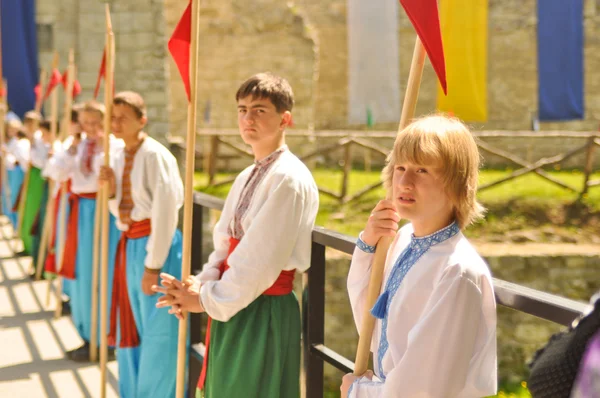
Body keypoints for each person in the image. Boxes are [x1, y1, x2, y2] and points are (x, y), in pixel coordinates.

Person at [153, 72, 319, 398]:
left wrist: (204, 299)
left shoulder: (288, 179)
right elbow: (224, 244)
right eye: (242, 110)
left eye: (259, 110)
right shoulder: (248, 173)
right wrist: (200, 283)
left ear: (285, 119)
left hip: (262, 310)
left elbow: (259, 260)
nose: (248, 118)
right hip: (234, 301)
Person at [342, 115, 497, 397]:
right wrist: (368, 244)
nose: (404, 181)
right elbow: (371, 325)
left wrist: (359, 392)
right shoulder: (401, 239)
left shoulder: (457, 272)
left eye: (422, 170)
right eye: (400, 167)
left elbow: (426, 386)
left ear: (456, 181)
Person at [97, 91, 184, 397]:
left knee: (160, 328)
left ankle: (157, 393)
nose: (116, 123)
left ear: (141, 120)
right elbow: (119, 211)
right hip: (130, 242)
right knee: (131, 321)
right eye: (113, 116)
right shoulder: (117, 154)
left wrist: (153, 265)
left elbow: (165, 211)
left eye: (123, 117)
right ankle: (133, 390)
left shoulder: (156, 156)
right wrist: (109, 192)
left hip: (156, 247)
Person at [52, 100, 122, 361]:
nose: (91, 128)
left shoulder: (114, 146)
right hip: (81, 210)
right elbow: (57, 172)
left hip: (104, 209)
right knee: (83, 272)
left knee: (103, 272)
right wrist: (71, 146)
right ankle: (88, 334)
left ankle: (106, 336)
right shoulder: (79, 146)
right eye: (86, 122)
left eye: (96, 122)